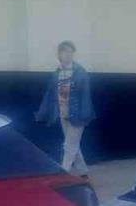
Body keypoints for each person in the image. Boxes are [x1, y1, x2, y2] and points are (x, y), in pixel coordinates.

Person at [35, 41, 95, 177]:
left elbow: (85, 95)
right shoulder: (57, 73)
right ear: (59, 54)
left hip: (78, 115)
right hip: (63, 114)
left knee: (69, 145)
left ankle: (63, 173)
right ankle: (83, 171)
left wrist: (85, 115)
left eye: (70, 52)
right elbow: (50, 94)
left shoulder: (80, 72)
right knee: (73, 145)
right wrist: (44, 112)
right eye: (65, 51)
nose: (68, 54)